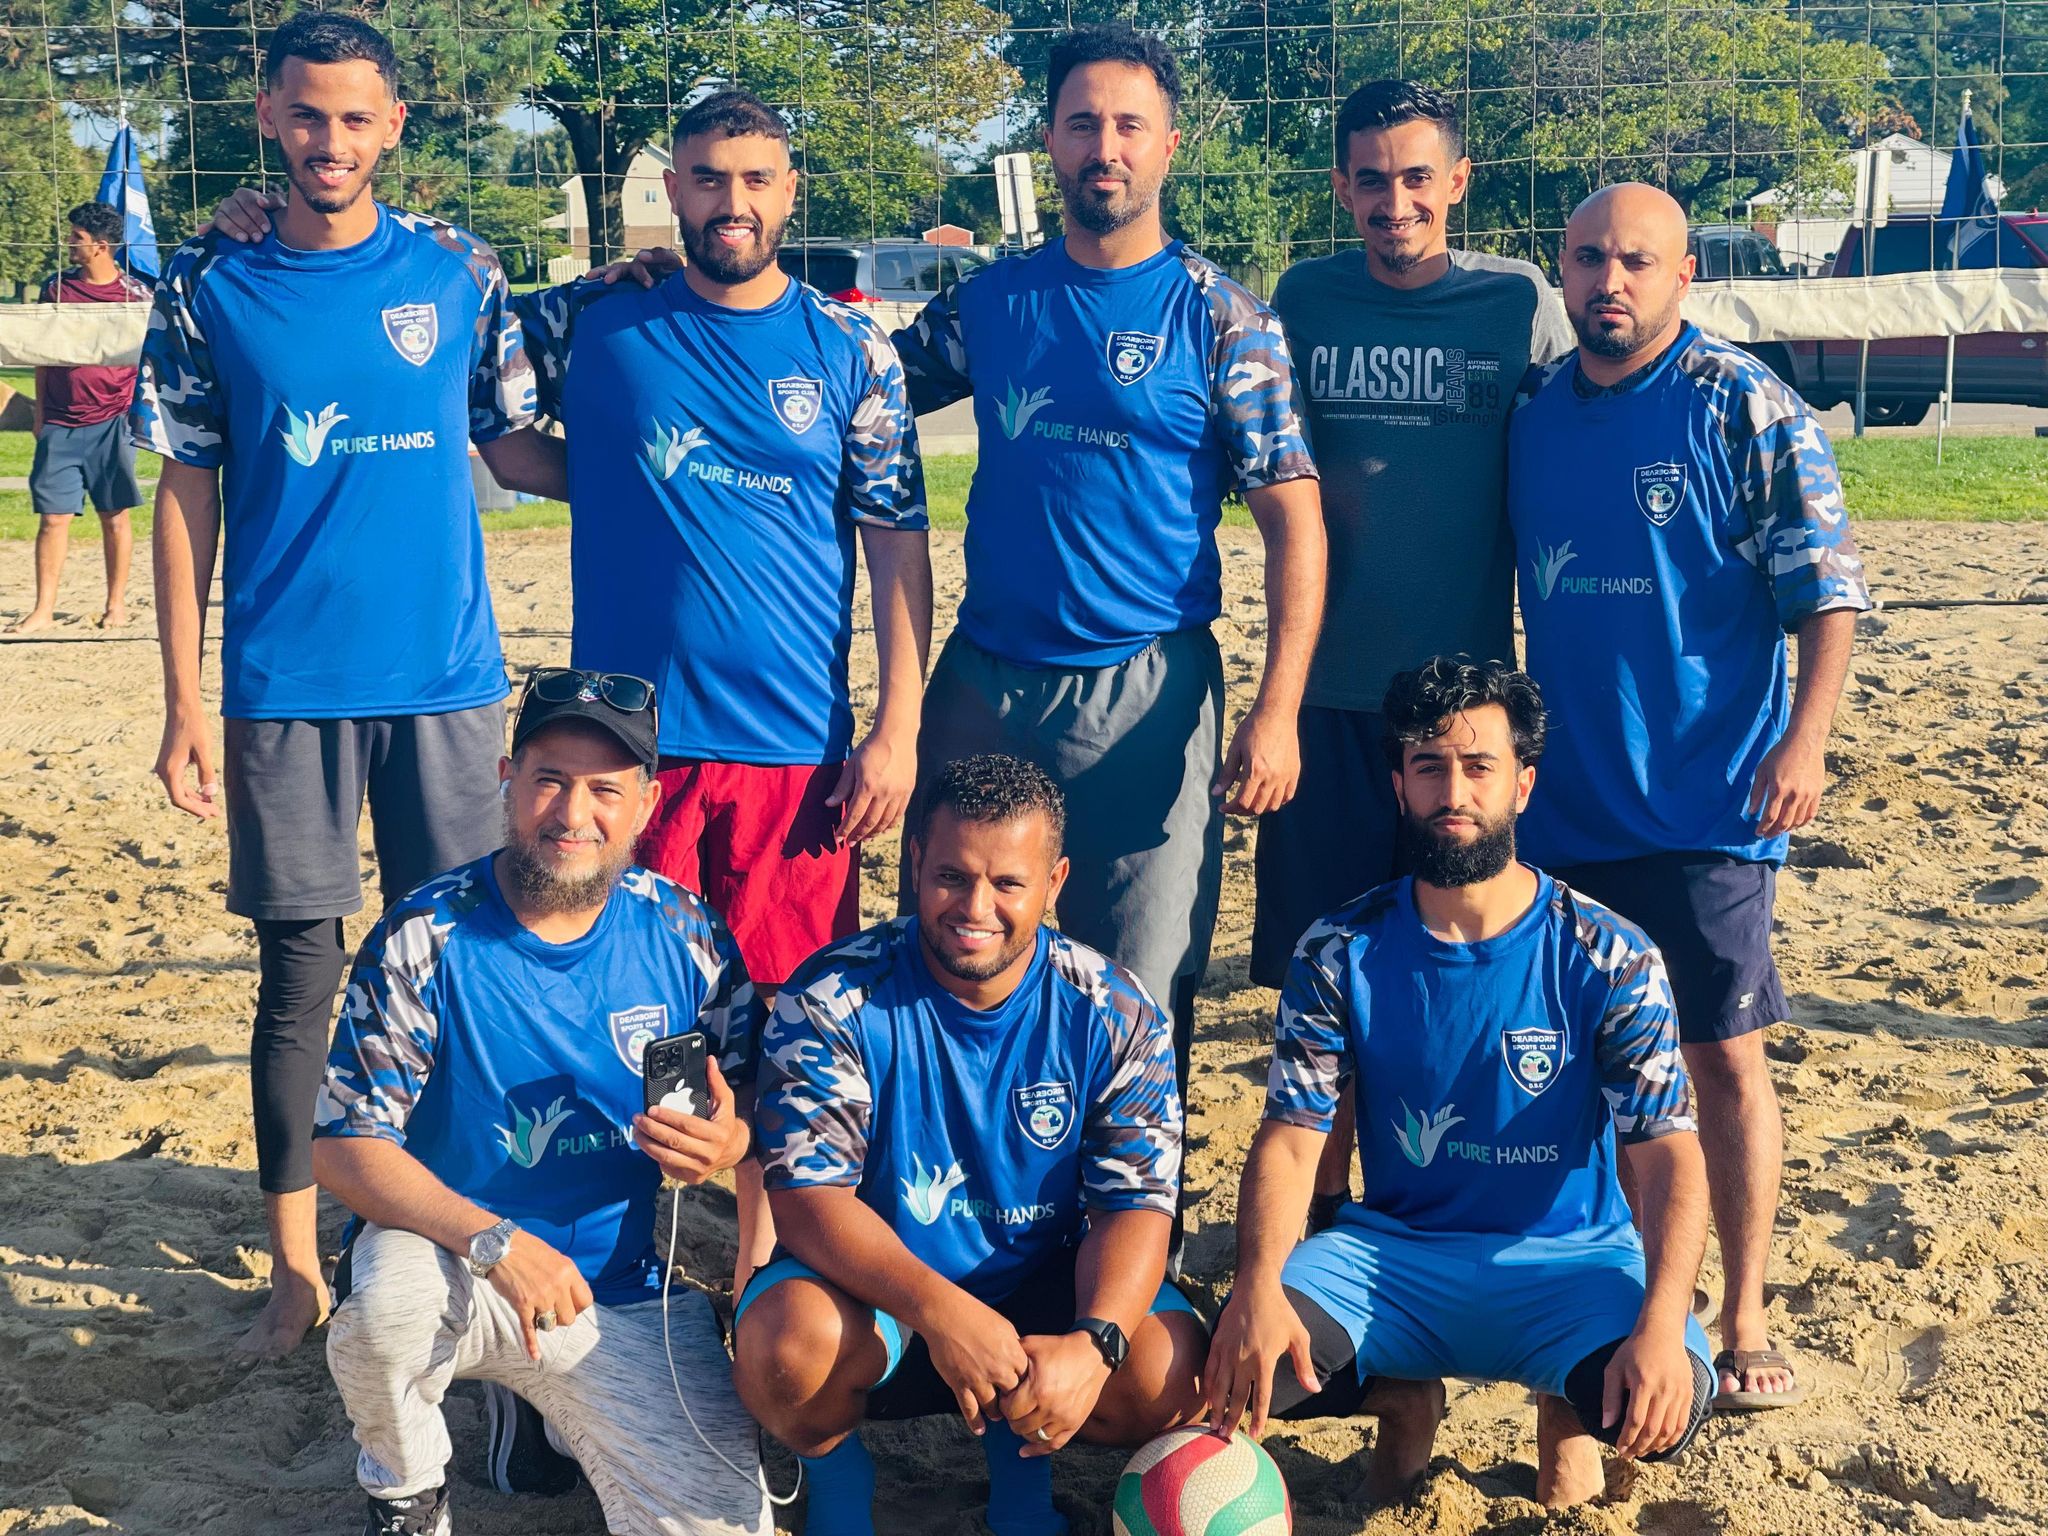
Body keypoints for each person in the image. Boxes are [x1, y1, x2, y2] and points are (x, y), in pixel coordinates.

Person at [206, 89, 932, 1033]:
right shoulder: (592, 321)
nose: (733, 202)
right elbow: (488, 422)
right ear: (674, 191)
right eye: (708, 179)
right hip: (624, 741)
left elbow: (896, 539)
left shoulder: (851, 345)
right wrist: (259, 224)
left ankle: (753, 1143)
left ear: (790, 190)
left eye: (756, 180)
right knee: (637, 1013)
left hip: (793, 744)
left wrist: (898, 729)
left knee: (785, 1019)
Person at [129, 10, 555, 1359]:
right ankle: (296, 1271)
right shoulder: (209, 281)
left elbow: (514, 441)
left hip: (445, 684)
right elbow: (185, 489)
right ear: (267, 115)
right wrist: (185, 700)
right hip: (283, 685)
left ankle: (450, 1226)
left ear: (392, 126)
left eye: (354, 116)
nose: (329, 139)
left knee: (462, 963)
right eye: (305, 113)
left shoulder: (459, 268)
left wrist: (670, 470)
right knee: (301, 977)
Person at [891, 23, 1325, 1105]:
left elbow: (1295, 523)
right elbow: (848, 386)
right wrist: (691, 290)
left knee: (1140, 980)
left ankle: (1133, 1204)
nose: (1105, 146)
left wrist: (1276, 710)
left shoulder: (1224, 317)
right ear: (1049, 140)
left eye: (1129, 125)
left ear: (1168, 145)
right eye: (1082, 123)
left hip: (1146, 688)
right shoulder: (991, 302)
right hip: (985, 679)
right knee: (951, 954)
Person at [1508, 182, 1872, 1410]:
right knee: (1584, 1070)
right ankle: (1617, 1292)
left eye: (1634, 261)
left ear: (1681, 275)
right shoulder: (1533, 411)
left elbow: (1824, 588)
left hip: (1708, 800)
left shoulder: (1736, 399)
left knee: (1719, 1059)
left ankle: (1744, 1306)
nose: (1607, 281)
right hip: (1562, 805)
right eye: (1586, 259)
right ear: (1559, 271)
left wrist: (1803, 743)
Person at [1204, 657, 1715, 1510]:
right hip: (1392, 1262)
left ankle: (1565, 1416)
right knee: (1225, 1371)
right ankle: (1403, 1402)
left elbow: (1669, 1157)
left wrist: (1662, 1324)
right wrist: (1256, 1286)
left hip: (1572, 1265)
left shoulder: (1610, 953)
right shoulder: (1338, 949)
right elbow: (1290, 1140)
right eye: (1429, 766)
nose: (1454, 792)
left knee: (1667, 1402)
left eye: (1480, 766)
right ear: (1398, 784)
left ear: (1523, 784)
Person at [313, 671, 770, 1536]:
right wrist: (496, 1243)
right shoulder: (428, 932)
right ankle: (407, 1497)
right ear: (507, 779)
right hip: (459, 1263)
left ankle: (538, 1413)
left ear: (647, 804)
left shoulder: (685, 930)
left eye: (605, 790)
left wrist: (728, 1140)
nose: (572, 813)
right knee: (385, 1310)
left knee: (720, 1524)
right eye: (549, 780)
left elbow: (752, 1099)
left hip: (615, 1296)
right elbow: (343, 1145)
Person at [1255, 79, 1575, 1231]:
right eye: (1370, 180)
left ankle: (1450, 1202)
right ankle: (1323, 1210)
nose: (1394, 201)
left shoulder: (1517, 301)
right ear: (1340, 187)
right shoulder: (1302, 298)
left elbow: (1596, 416)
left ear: (1457, 181)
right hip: (1326, 701)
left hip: (1461, 719)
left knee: (1460, 965)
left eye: (1415, 178)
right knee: (1323, 980)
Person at [738, 754, 1205, 1536]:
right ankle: (837, 1473)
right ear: (915, 860)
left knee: (1169, 1372)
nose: (975, 908)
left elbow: (1136, 1206)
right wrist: (942, 1312)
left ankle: (1022, 1472)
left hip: (1042, 1288)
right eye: (952, 877)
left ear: (1054, 883)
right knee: (784, 1347)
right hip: (878, 1295)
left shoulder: (1115, 1010)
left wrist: (1093, 1345)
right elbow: (808, 1203)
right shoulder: (831, 995)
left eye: (1008, 884)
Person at [13, 201, 151, 634]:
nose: (69, 243)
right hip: (60, 421)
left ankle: (116, 606)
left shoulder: (135, 295)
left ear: (101, 246)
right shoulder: (57, 288)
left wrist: (140, 416)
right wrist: (40, 414)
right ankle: (43, 610)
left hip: (114, 420)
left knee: (114, 515)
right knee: (52, 518)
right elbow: (43, 354)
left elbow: (152, 362)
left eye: (77, 238)